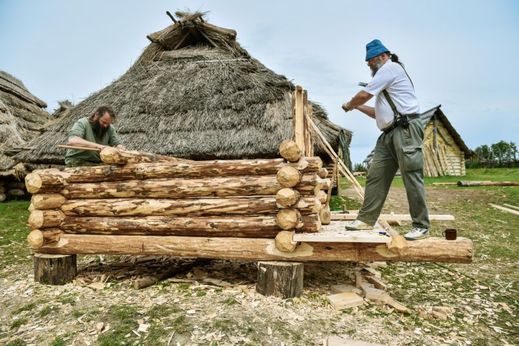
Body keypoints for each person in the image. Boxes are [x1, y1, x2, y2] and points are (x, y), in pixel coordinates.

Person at [341, 39, 430, 240]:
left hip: (405, 128)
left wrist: (349, 104)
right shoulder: (384, 81)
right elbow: (377, 113)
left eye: (371, 61)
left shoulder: (390, 69)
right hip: (388, 133)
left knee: (411, 175)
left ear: (383, 56)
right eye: (367, 63)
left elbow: (364, 95)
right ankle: (366, 219)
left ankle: (421, 226)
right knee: (376, 174)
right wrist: (356, 107)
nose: (369, 65)